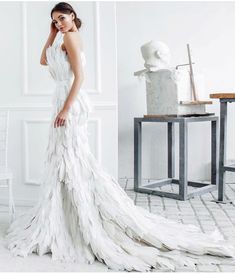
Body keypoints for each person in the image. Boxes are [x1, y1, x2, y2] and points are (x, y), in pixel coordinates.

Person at [4, 2, 235, 272]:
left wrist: (67, 108)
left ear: (73, 16)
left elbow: (79, 77)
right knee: (63, 160)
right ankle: (65, 217)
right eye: (55, 21)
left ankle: (82, 217)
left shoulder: (72, 37)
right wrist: (51, 33)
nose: (59, 24)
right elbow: (43, 60)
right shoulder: (62, 36)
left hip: (70, 101)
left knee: (71, 158)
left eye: (62, 18)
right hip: (62, 100)